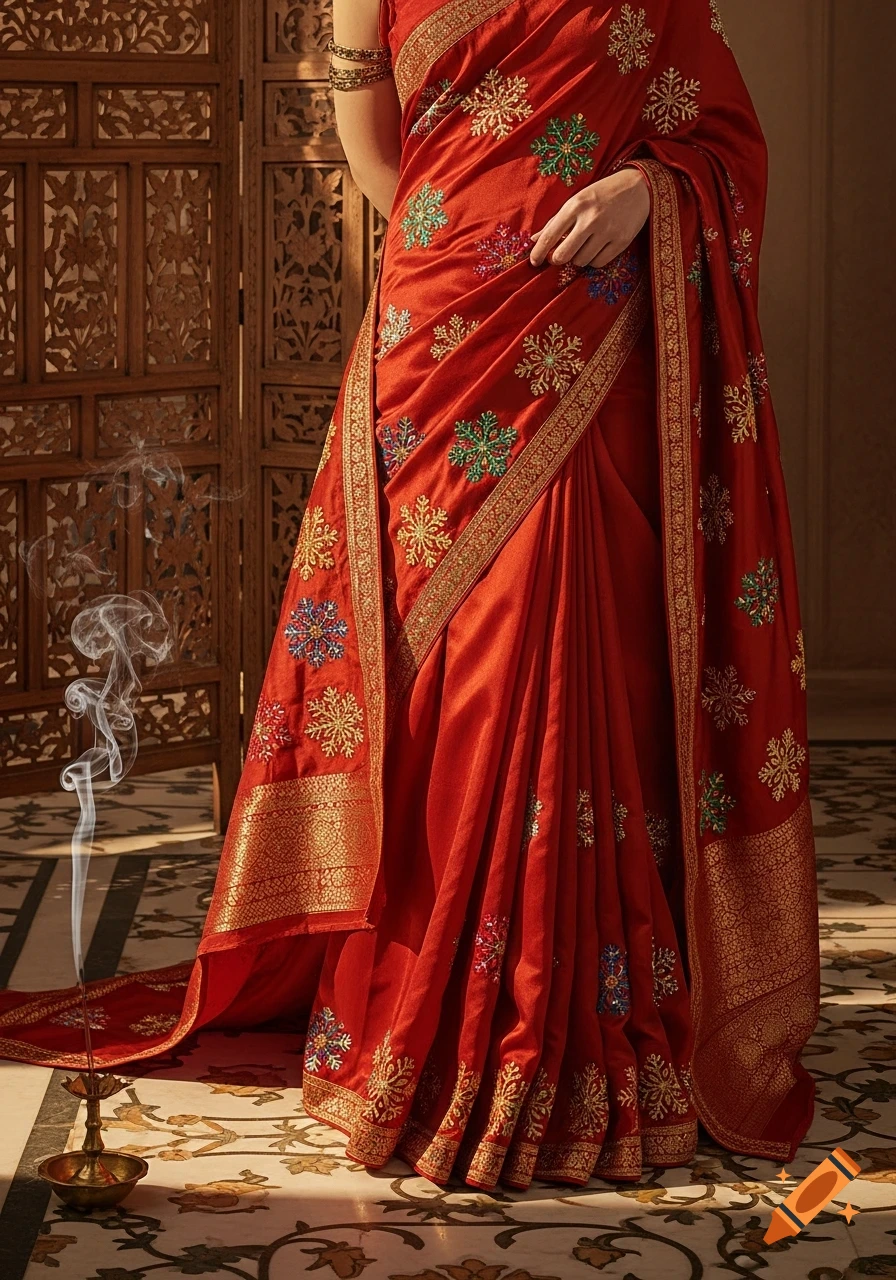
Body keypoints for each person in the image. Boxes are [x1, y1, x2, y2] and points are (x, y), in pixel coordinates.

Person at [0, 0, 820, 1191]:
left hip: (583, 337)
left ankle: (559, 1019)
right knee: (440, 667)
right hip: (440, 327)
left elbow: (720, 137)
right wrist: (472, 252)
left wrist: (649, 195)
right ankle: (427, 1016)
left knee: (555, 651)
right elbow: (376, 157)